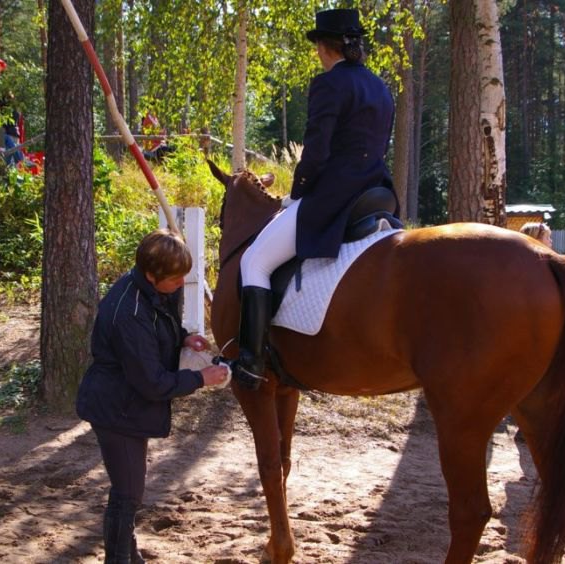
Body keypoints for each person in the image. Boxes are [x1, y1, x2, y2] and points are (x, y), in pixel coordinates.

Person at [231, 8, 398, 390]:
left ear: (324, 47)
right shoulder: (380, 87)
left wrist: (297, 193)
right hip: (377, 194)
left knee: (255, 261)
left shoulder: (329, 84)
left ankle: (253, 363)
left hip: (336, 194)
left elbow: (318, 152)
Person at [76, 228, 229, 563]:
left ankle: (129, 556)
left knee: (130, 491)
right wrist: (201, 378)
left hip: (131, 404)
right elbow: (153, 382)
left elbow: (160, 328)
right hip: (116, 408)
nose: (180, 285)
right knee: (126, 494)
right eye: (175, 280)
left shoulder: (154, 292)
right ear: (151, 274)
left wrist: (185, 338)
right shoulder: (128, 312)